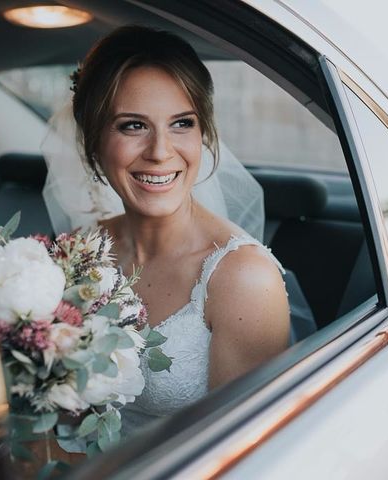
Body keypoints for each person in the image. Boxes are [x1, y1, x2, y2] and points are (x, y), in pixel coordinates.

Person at [43, 25, 290, 431]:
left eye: (182, 123)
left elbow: (240, 454)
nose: (160, 152)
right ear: (93, 140)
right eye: (133, 126)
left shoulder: (242, 280)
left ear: (204, 133)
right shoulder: (81, 251)